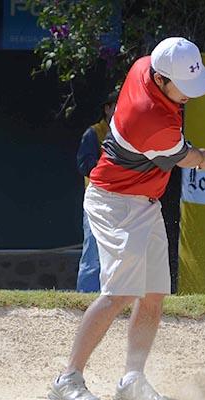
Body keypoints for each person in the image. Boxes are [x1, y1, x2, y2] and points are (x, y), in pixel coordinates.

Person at [49, 37, 205, 400]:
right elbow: (187, 157)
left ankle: (132, 378)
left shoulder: (145, 65)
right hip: (114, 203)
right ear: (161, 79)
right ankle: (68, 378)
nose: (190, 95)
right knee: (119, 294)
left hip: (145, 203)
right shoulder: (151, 119)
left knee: (154, 294)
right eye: (184, 87)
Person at [75, 91, 118, 293]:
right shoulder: (94, 133)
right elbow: (85, 166)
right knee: (92, 251)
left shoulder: (128, 133)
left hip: (121, 201)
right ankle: (85, 298)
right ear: (107, 108)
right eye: (115, 106)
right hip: (97, 200)